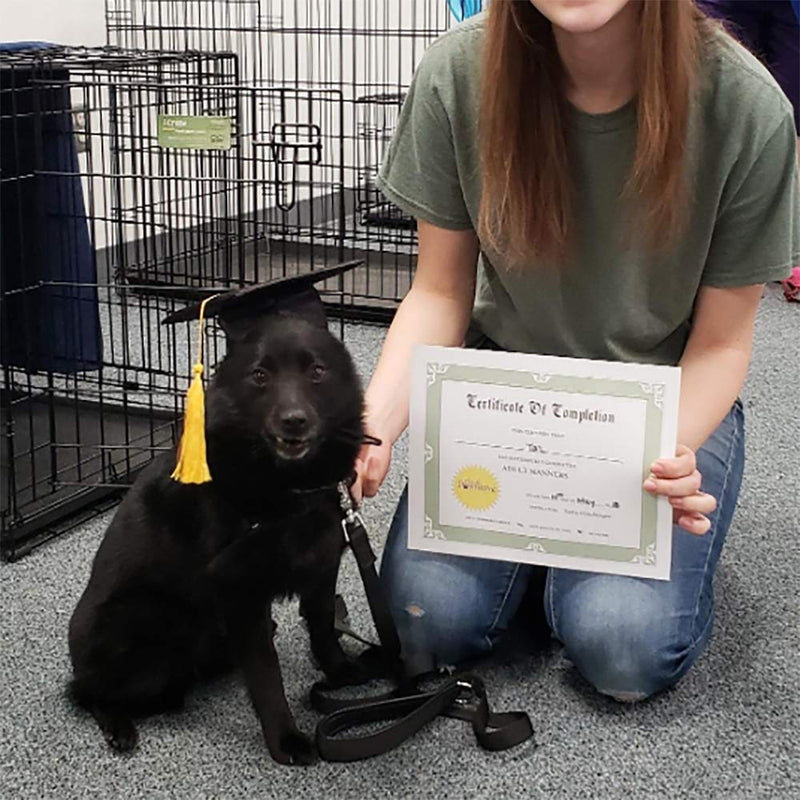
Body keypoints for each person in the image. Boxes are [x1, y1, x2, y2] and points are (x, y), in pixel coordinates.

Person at [353, 0, 800, 702]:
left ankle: (561, 569)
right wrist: (374, 421)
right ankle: (548, 558)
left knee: (622, 650)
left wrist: (667, 452)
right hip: (502, 395)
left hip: (661, 396)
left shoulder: (746, 107)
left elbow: (721, 345)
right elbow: (440, 294)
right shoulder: (458, 71)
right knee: (424, 628)